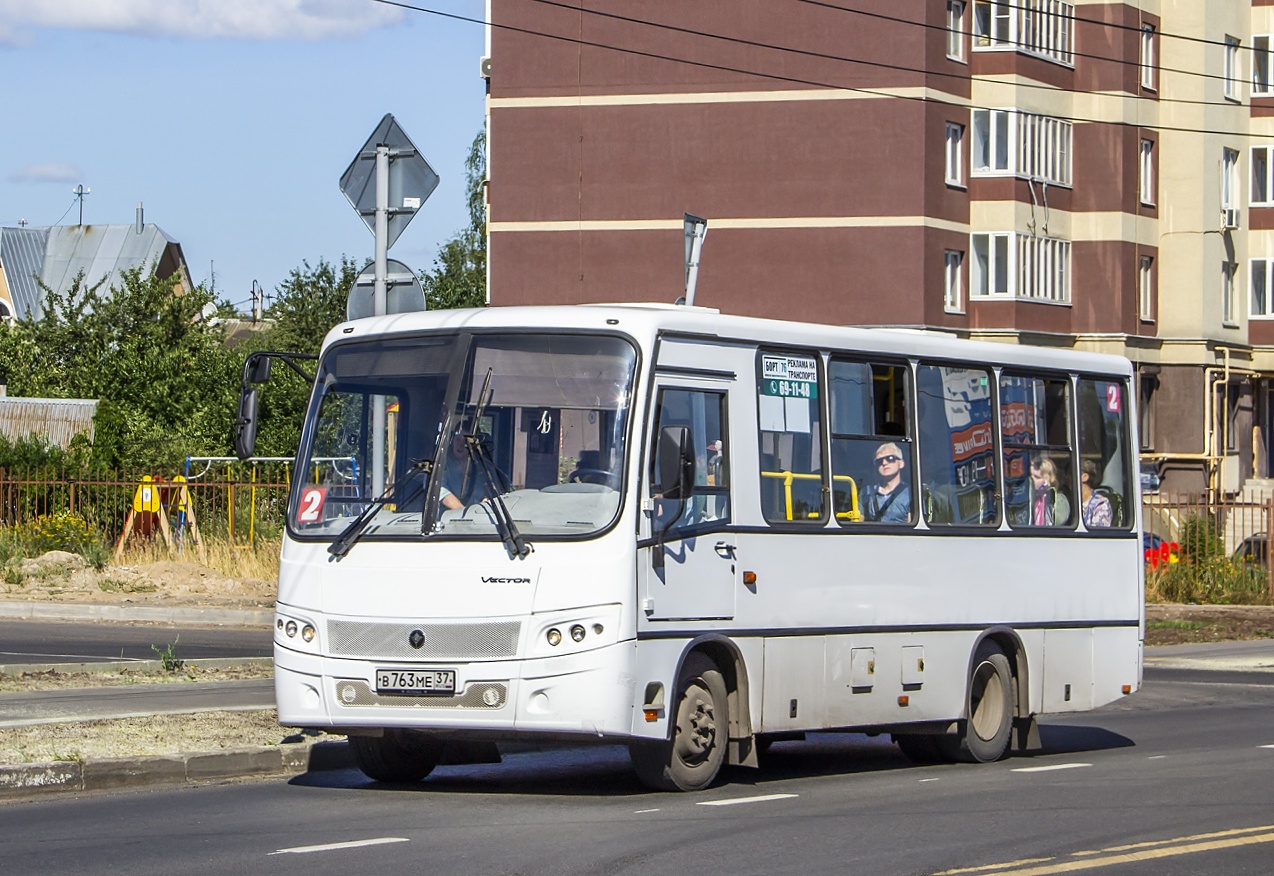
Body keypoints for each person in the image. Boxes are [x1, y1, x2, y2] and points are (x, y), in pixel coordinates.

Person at [862, 441, 912, 523]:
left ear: (901, 463)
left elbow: (914, 530)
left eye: (890, 458)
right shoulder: (866, 492)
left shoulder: (912, 494)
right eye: (879, 461)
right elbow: (857, 523)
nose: (884, 463)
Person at [1030, 454, 1071, 526]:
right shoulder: (1028, 498)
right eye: (1030, 476)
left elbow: (1058, 521)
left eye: (1037, 477)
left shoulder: (1059, 499)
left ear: (1047, 480)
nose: (1031, 480)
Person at [1079, 458, 1113, 528]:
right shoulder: (1067, 500)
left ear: (1085, 477)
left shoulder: (1100, 503)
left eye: (1070, 474)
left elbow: (1098, 533)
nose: (1066, 478)